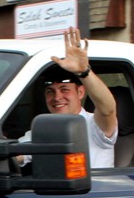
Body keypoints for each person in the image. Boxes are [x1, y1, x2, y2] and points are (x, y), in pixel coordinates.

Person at [20, 27, 118, 168]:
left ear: (80, 92)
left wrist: (84, 72)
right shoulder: (42, 129)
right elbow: (17, 154)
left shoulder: (94, 124)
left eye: (64, 90)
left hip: (94, 189)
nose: (57, 97)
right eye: (50, 91)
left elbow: (108, 109)